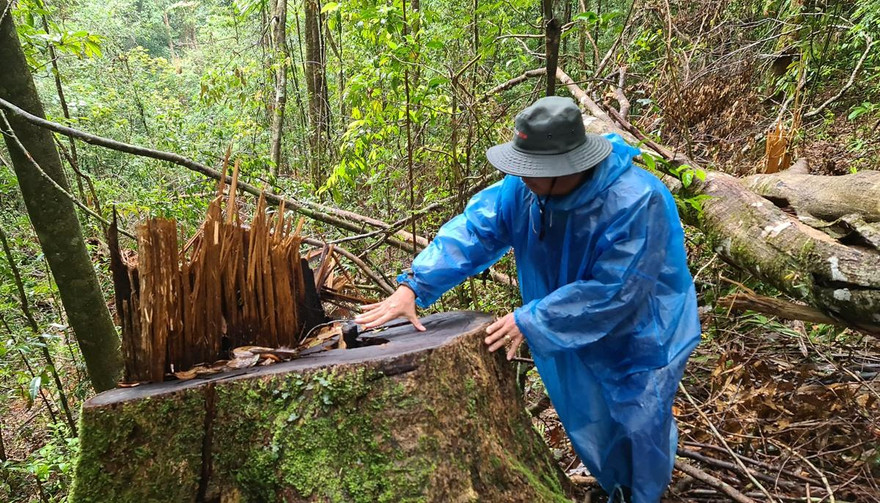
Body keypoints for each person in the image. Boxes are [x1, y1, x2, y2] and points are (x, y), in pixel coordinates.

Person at [354, 96, 701, 503]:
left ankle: (642, 496)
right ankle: (617, 488)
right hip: (563, 322)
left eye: (534, 171)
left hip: (639, 332)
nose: (522, 177)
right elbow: (475, 231)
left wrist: (533, 319)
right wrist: (414, 284)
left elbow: (618, 289)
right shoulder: (523, 190)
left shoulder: (638, 200)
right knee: (591, 417)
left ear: (570, 165)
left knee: (639, 420)